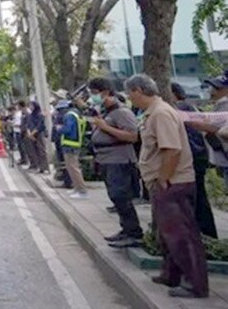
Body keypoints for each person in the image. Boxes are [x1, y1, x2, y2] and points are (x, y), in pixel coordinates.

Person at [126, 74, 208, 299]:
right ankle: (171, 273)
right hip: (166, 182)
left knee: (181, 235)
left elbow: (171, 149)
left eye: (130, 94)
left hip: (174, 182)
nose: (129, 98)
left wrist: (163, 179)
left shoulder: (161, 113)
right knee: (167, 234)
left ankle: (195, 284)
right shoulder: (153, 113)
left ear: (139, 91)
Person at [88, 77, 144, 247]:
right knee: (115, 196)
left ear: (105, 92)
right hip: (107, 160)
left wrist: (105, 127)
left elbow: (132, 136)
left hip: (119, 160)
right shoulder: (108, 112)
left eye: (94, 93)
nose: (92, 97)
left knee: (121, 196)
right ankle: (126, 229)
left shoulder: (122, 112)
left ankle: (134, 233)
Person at [171, 82, 217, 238]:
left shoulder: (181, 109)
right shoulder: (188, 107)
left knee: (197, 199)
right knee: (198, 198)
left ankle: (205, 234)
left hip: (192, 157)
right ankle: (206, 233)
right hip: (197, 157)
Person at [59, 99, 88, 198]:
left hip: (70, 144)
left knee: (73, 168)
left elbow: (67, 129)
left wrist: (59, 129)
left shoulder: (69, 116)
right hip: (75, 144)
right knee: (72, 168)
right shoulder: (77, 114)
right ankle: (77, 189)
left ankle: (82, 191)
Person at [26, 101, 48, 173]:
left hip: (39, 134)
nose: (30, 107)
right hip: (31, 135)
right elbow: (28, 125)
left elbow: (40, 125)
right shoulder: (30, 115)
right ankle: (39, 166)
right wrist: (29, 133)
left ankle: (44, 167)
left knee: (41, 150)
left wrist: (33, 133)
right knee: (34, 151)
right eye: (29, 106)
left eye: (31, 105)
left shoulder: (40, 115)